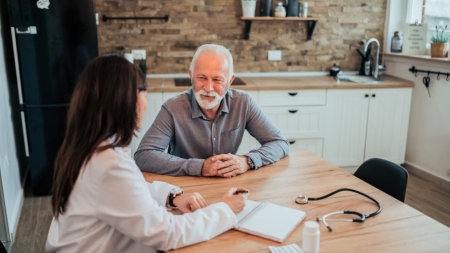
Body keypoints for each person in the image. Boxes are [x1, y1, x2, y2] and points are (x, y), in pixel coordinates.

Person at [46, 55, 248, 253]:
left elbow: (134, 188)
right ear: (127, 99)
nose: (146, 103)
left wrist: (173, 196)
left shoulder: (93, 147)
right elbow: (167, 233)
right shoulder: (110, 164)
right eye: (144, 93)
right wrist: (225, 210)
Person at [135, 44, 289, 177]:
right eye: (202, 78)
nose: (208, 88)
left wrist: (247, 161)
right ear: (191, 76)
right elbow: (144, 156)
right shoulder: (173, 108)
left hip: (227, 186)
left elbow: (279, 143)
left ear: (230, 81)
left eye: (217, 80)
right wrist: (200, 167)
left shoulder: (244, 103)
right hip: (184, 188)